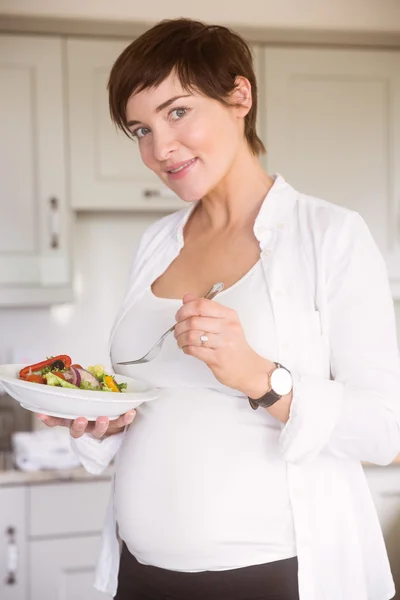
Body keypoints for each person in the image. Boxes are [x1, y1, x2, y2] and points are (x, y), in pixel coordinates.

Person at [38, 18, 400, 600]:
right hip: (140, 573)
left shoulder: (330, 235)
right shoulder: (157, 241)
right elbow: (160, 406)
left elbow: (387, 428)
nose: (159, 149)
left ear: (239, 96)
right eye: (140, 129)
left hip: (272, 577)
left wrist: (259, 376)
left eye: (178, 112)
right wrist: (105, 422)